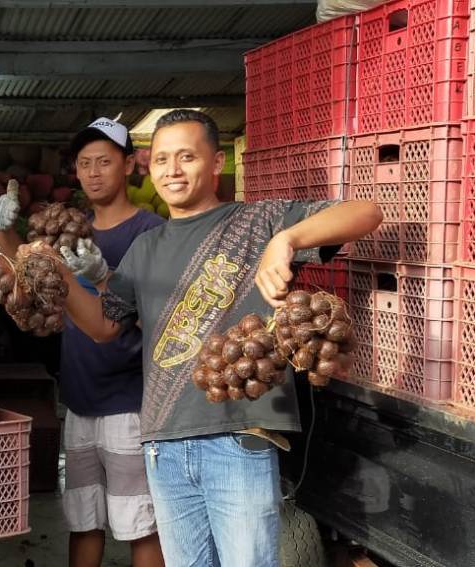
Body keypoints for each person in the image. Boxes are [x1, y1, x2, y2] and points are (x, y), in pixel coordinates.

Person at [58, 109, 383, 567]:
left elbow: (365, 212)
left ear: (215, 164)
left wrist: (285, 240)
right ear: (149, 167)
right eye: (163, 159)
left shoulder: (256, 222)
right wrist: (62, 274)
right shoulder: (145, 247)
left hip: (239, 435)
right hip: (162, 443)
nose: (172, 170)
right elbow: (102, 326)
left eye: (187, 156)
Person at [0, 118, 165, 567]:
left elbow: (157, 316)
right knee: (84, 520)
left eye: (104, 161)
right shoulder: (70, 226)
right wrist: (5, 232)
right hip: (80, 398)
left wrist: (105, 277)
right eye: (84, 163)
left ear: (128, 165)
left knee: (141, 524)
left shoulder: (150, 231)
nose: (93, 172)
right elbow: (25, 276)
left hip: (132, 401)